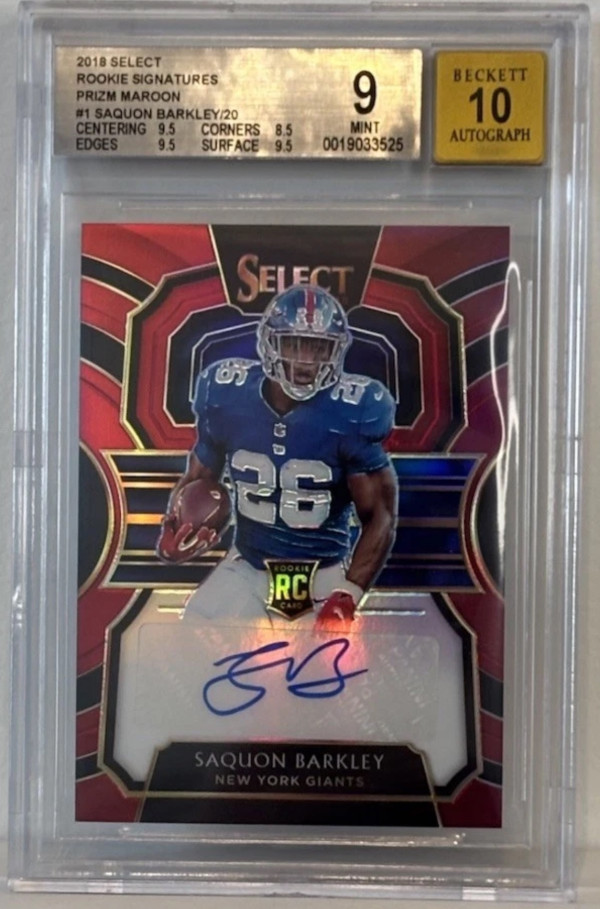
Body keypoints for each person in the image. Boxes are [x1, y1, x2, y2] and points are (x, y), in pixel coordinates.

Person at [157, 283, 398, 627]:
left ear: (336, 351)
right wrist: (177, 527)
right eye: (293, 344)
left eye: (319, 347)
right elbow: (199, 479)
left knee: (314, 658)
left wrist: (349, 593)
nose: (306, 361)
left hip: (319, 575)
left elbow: (380, 516)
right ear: (270, 343)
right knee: (193, 631)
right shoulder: (226, 394)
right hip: (247, 565)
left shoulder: (355, 411)